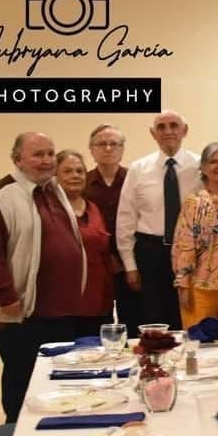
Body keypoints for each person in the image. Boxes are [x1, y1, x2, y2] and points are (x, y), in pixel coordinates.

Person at [0, 132, 85, 422]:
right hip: (23, 311)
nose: (47, 160)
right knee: (21, 382)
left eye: (51, 153)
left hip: (61, 310)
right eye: (38, 154)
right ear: (17, 159)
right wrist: (6, 295)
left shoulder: (54, 190)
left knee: (57, 383)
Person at [116, 110, 201, 329]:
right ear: (153, 134)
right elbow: (126, 219)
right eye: (161, 127)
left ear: (185, 130)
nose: (168, 131)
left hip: (190, 254)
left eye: (174, 125)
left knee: (188, 318)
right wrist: (130, 266)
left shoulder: (201, 167)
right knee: (155, 320)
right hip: (150, 254)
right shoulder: (138, 169)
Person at [171, 143, 218, 329]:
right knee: (199, 345)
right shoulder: (194, 202)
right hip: (199, 287)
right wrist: (183, 286)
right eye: (213, 161)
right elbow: (183, 245)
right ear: (203, 168)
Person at [84, 124, 138, 333]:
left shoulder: (134, 179)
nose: (108, 148)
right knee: (99, 319)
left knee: (133, 317)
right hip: (96, 264)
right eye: (101, 144)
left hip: (132, 263)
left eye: (114, 144)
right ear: (92, 149)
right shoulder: (83, 182)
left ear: (122, 149)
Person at [55, 149, 114, 337]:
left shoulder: (93, 207)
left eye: (79, 171)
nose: (75, 176)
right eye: (67, 171)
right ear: (54, 176)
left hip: (98, 300)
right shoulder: (49, 210)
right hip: (64, 303)